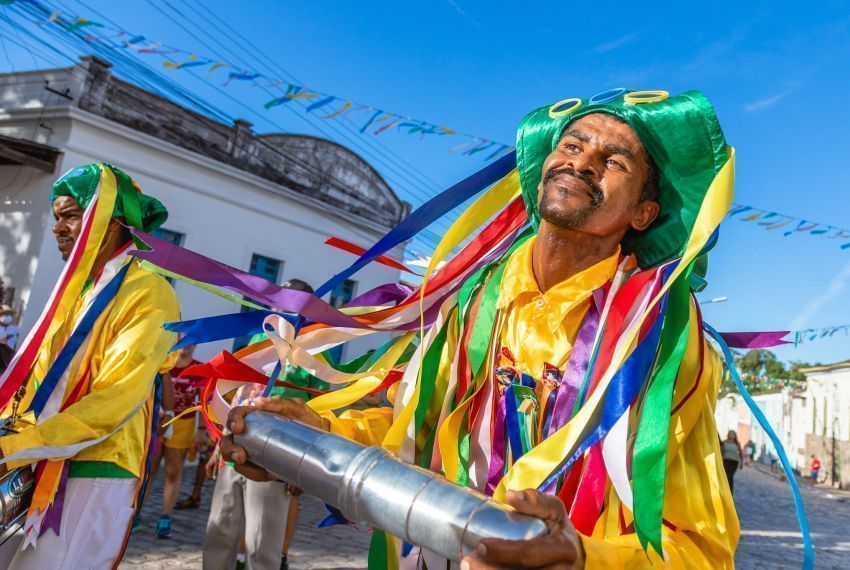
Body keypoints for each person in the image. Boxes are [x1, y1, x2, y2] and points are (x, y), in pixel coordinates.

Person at [221, 90, 740, 568]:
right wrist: (320, 437)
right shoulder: (471, 301)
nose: (582, 162)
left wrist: (581, 557)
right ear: (541, 175)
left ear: (644, 213)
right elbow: (415, 432)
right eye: (573, 144)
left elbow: (700, 547)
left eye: (614, 161)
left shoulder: (661, 339)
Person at [0, 163, 179, 568]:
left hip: (97, 467)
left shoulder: (149, 291)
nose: (57, 228)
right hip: (35, 460)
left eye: (70, 215)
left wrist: (11, 447)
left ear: (109, 219)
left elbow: (115, 398)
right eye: (55, 217)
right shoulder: (77, 291)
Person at [203, 279, 323, 570]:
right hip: (236, 448)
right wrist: (220, 443)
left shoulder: (317, 350)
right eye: (279, 300)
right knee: (220, 529)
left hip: (276, 456)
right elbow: (237, 394)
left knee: (262, 540)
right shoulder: (259, 341)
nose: (282, 308)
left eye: (292, 303)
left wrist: (303, 467)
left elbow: (321, 408)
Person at [152, 344, 202, 538]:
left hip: (183, 425)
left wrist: (202, 432)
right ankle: (136, 513)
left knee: (173, 472)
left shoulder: (199, 369)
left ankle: (165, 516)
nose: (187, 345)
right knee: (149, 469)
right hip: (159, 422)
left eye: (192, 341)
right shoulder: (163, 364)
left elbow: (203, 403)